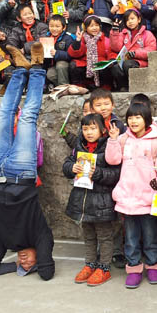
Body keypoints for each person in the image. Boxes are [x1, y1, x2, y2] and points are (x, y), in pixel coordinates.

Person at [0, 44, 55, 281]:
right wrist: (39, 265)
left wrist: (14, 268)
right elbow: (47, 273)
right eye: (28, 264)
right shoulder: (40, 236)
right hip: (22, 172)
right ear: (38, 258)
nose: (24, 261)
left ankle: (19, 70)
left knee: (3, 115)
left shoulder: (6, 240)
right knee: (27, 117)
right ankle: (37, 68)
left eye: (22, 264)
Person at [106, 102, 157, 288]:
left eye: (138, 117)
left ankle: (153, 266)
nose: (133, 121)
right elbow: (113, 160)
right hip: (128, 198)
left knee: (151, 236)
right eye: (130, 118)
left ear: (146, 119)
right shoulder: (123, 139)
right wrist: (113, 140)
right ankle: (133, 268)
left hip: (149, 198)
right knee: (131, 239)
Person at [63, 113, 121, 286]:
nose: (89, 132)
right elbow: (67, 163)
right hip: (83, 201)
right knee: (88, 236)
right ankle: (89, 264)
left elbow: (116, 174)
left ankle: (104, 268)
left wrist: (98, 174)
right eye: (85, 128)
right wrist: (71, 167)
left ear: (102, 130)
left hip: (102, 202)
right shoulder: (79, 146)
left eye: (93, 128)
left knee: (104, 236)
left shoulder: (109, 147)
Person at [109, 9, 156, 91]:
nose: (130, 22)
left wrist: (135, 53)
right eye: (127, 20)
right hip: (125, 60)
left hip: (141, 61)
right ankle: (124, 86)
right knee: (115, 67)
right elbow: (116, 48)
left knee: (127, 64)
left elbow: (151, 50)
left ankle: (136, 85)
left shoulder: (147, 34)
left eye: (132, 18)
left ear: (139, 19)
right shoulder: (123, 34)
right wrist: (115, 33)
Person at [68, 15, 115, 90]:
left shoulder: (105, 40)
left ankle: (105, 86)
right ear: (86, 28)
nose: (94, 28)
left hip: (100, 63)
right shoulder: (82, 38)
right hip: (86, 63)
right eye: (91, 26)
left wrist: (112, 59)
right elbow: (74, 54)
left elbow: (111, 52)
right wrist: (77, 40)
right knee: (73, 65)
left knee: (106, 66)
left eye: (96, 25)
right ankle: (80, 86)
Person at [43, 14, 74, 89]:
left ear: (64, 27)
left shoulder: (68, 38)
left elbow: (71, 55)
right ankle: (64, 86)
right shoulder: (46, 38)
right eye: (51, 26)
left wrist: (57, 53)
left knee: (61, 64)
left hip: (67, 65)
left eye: (57, 26)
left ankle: (63, 88)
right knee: (50, 74)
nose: (54, 29)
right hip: (54, 65)